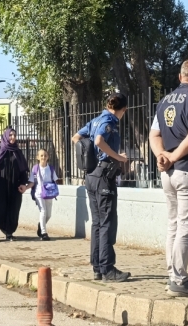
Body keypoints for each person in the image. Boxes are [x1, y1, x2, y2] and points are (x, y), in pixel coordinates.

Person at [149, 58, 188, 297]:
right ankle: (179, 279)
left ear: (180, 77)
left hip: (168, 173)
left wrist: (162, 156)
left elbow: (154, 134)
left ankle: (172, 275)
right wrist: (174, 156)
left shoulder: (164, 102)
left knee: (174, 225)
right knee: (187, 227)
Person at [72, 93, 130, 283]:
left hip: (91, 176)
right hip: (104, 176)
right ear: (123, 109)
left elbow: (76, 138)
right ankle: (107, 269)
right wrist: (118, 157)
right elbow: (98, 141)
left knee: (97, 223)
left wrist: (89, 159)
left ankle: (97, 267)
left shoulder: (95, 120)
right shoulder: (109, 121)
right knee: (107, 222)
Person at [0, 127, 29, 241]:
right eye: (10, 135)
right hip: (1, 183)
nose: (13, 137)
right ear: (5, 136)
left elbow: (23, 169)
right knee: (0, 207)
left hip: (15, 185)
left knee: (14, 208)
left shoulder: (17, 152)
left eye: (14, 135)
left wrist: (24, 183)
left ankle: (9, 232)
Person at [26, 149, 59, 241]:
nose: (43, 157)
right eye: (41, 156)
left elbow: (55, 180)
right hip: (39, 193)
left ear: (48, 157)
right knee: (43, 211)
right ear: (38, 157)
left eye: (45, 155)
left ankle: (41, 225)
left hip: (49, 193)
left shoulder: (51, 168)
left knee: (48, 215)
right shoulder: (35, 168)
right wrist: (25, 188)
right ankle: (44, 233)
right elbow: (32, 182)